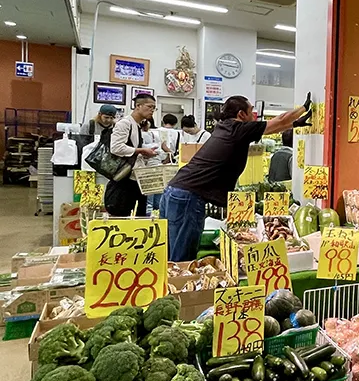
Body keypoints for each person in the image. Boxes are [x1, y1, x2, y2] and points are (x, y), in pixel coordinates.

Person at [161, 93, 312, 262]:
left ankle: (170, 286)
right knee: (182, 257)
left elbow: (271, 128)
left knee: (171, 255)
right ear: (241, 114)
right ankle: (180, 287)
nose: (253, 115)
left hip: (175, 191)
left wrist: (294, 124)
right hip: (189, 196)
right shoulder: (238, 129)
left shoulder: (226, 127)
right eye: (251, 111)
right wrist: (304, 107)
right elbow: (280, 120)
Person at [104, 94, 158, 217]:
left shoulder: (137, 125)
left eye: (154, 108)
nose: (152, 110)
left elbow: (131, 150)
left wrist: (145, 154)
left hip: (136, 179)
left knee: (139, 217)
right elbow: (116, 147)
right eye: (149, 106)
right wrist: (141, 151)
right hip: (124, 180)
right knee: (122, 218)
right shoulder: (124, 123)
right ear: (138, 106)